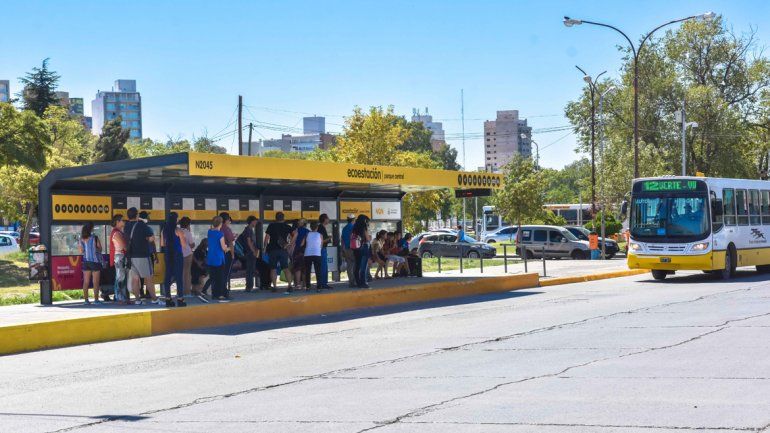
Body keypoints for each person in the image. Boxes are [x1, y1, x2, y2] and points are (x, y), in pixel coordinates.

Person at [125, 207, 159, 305]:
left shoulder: (126, 226)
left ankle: (137, 300)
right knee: (149, 278)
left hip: (131, 256)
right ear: (137, 215)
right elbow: (151, 239)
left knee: (135, 279)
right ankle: (155, 299)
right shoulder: (142, 225)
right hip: (143, 256)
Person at [161, 212, 186, 307]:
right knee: (179, 277)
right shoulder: (178, 230)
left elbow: (162, 244)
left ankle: (168, 298)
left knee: (167, 276)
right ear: (176, 220)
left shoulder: (164, 230)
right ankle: (180, 299)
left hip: (168, 255)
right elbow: (183, 244)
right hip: (177, 255)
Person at [264, 212, 293, 293]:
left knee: (273, 269)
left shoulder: (271, 226)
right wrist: (289, 245)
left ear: (275, 218)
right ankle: (290, 285)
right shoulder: (287, 227)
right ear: (283, 218)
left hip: (272, 250)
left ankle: (275, 286)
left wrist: (264, 248)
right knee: (286, 268)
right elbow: (293, 236)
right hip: (283, 250)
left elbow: (266, 238)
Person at [79, 222, 103, 304]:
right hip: (95, 261)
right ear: (91, 229)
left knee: (86, 282)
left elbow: (81, 251)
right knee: (95, 282)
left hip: (86, 261)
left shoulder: (81, 239)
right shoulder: (95, 237)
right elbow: (100, 249)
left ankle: (86, 300)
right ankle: (96, 300)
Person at [207, 216, 229, 301]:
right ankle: (220, 295)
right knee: (220, 278)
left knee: (213, 278)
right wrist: (229, 248)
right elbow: (223, 248)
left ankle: (214, 294)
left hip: (210, 258)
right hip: (219, 259)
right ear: (220, 224)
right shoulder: (220, 234)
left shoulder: (209, 232)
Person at [109, 214, 128, 303]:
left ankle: (121, 297)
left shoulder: (117, 232)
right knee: (120, 278)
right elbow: (124, 246)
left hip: (119, 257)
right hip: (119, 257)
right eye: (122, 220)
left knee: (121, 277)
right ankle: (119, 297)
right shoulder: (116, 233)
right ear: (117, 222)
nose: (123, 222)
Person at [351, 215, 371, 289]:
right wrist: (369, 237)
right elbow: (368, 239)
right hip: (363, 247)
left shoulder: (354, 227)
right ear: (364, 221)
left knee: (357, 265)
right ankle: (363, 282)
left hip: (356, 249)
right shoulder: (364, 227)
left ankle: (358, 282)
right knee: (363, 267)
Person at [303, 221, 324, 291]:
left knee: (307, 271)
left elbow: (303, 243)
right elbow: (321, 245)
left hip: (307, 254)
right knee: (318, 271)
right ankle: (319, 287)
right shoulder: (320, 235)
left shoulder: (307, 234)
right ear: (317, 227)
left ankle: (308, 286)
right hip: (317, 254)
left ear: (310, 227)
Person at [240, 216, 260, 292]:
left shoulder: (249, 230)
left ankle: (249, 286)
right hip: (250, 253)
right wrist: (253, 251)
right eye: (255, 221)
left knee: (251, 269)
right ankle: (249, 287)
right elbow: (249, 242)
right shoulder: (248, 230)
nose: (256, 223)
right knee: (250, 270)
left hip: (249, 252)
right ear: (252, 221)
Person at [219, 212, 236, 297]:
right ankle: (224, 292)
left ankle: (219, 291)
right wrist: (232, 254)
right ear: (226, 220)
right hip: (226, 254)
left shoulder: (216, 228)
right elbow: (230, 243)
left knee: (220, 273)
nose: (230, 221)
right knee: (226, 274)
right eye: (229, 219)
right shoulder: (227, 229)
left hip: (218, 254)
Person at [179, 217, 195, 296]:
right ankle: (187, 292)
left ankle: (180, 291)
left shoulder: (177, 231)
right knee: (187, 273)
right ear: (188, 224)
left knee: (180, 273)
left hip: (179, 255)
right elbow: (192, 245)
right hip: (187, 254)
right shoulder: (187, 233)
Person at [291, 219, 309, 290]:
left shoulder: (295, 231)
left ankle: (298, 285)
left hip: (297, 251)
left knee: (297, 268)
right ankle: (304, 285)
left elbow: (291, 241)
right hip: (305, 251)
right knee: (304, 269)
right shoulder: (308, 231)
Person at [191, 238, 210, 302]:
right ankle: (196, 291)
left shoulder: (205, 251)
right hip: (196, 267)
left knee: (202, 275)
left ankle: (198, 291)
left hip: (202, 267)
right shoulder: (198, 250)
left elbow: (206, 260)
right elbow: (195, 258)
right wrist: (198, 263)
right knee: (198, 276)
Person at [340, 214, 356, 287]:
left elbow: (342, 239)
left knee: (349, 266)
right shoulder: (353, 227)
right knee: (356, 264)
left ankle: (351, 282)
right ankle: (355, 281)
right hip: (353, 249)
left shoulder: (344, 228)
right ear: (353, 219)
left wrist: (342, 249)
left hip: (346, 248)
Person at [317, 214, 332, 290]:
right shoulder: (321, 228)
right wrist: (329, 238)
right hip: (322, 249)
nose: (329, 220)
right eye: (328, 218)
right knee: (323, 267)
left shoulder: (321, 227)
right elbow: (321, 240)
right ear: (325, 219)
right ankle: (323, 283)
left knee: (323, 267)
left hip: (322, 249)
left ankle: (322, 283)